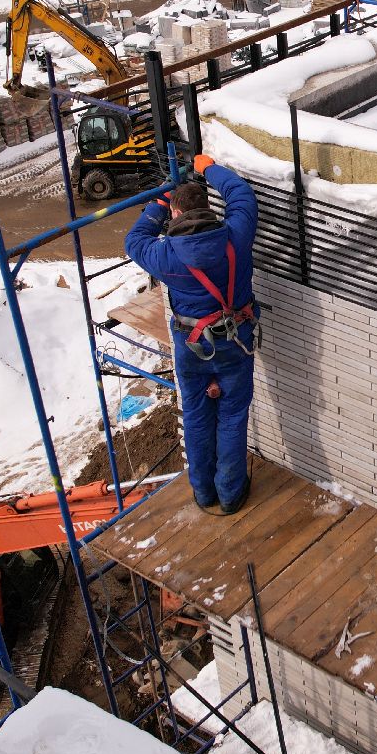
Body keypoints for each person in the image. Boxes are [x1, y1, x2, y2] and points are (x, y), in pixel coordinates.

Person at [125, 155, 260, 514]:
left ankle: (203, 493)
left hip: (191, 345)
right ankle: (230, 495)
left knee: (198, 418)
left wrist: (156, 205)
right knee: (232, 417)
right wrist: (208, 167)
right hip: (235, 340)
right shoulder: (236, 236)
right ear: (207, 209)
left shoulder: (165, 255)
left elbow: (134, 239)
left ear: (176, 215)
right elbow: (241, 194)